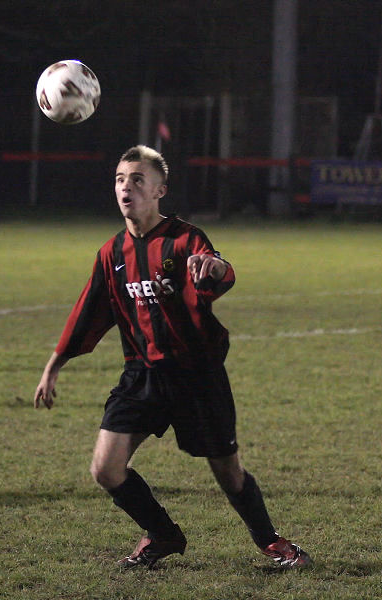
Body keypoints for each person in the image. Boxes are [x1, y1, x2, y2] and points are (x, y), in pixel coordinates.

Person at [35, 144, 311, 570]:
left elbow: (217, 268)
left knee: (228, 473)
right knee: (105, 469)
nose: (126, 188)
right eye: (119, 179)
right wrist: (55, 363)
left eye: (137, 180)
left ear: (160, 190)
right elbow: (89, 310)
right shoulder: (111, 254)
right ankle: (163, 534)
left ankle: (272, 542)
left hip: (196, 376)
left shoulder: (184, 239)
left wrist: (215, 268)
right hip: (142, 376)